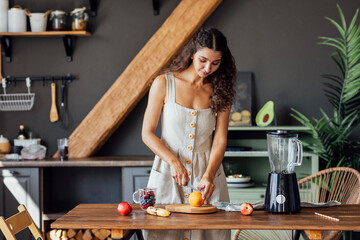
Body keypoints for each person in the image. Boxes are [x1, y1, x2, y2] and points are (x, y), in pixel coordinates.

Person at [141, 27, 236, 240]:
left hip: (207, 176)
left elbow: (220, 139)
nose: (207, 68)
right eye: (203, 60)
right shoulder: (164, 83)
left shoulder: (221, 91)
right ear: (192, 52)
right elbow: (147, 133)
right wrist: (173, 161)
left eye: (215, 63)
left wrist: (209, 176)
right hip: (167, 173)